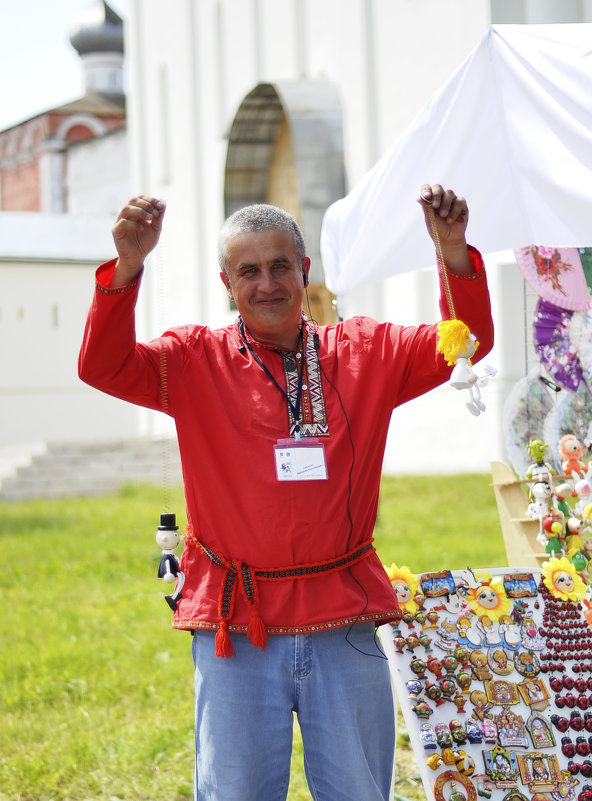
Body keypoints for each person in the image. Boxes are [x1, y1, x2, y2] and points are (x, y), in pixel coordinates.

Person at [78, 184, 494, 801]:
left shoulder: (365, 352)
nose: (266, 283)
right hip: (237, 626)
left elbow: (466, 341)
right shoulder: (194, 360)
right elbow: (103, 366)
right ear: (227, 283)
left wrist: (453, 255)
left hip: (343, 617)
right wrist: (129, 268)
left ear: (304, 271)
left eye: (279, 267)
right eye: (248, 271)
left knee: (359, 791)